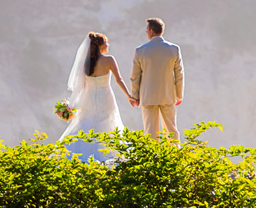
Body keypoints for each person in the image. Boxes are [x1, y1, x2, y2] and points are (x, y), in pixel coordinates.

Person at [59, 31, 133, 160]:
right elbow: (119, 79)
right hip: (105, 97)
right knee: (106, 124)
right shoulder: (109, 60)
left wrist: (72, 104)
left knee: (86, 125)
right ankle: (107, 156)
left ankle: (80, 155)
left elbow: (80, 86)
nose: (108, 45)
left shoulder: (86, 63)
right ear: (100, 45)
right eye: (106, 42)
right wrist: (129, 96)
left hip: (89, 97)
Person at [129, 17, 184, 141]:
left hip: (148, 96)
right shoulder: (174, 49)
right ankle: (175, 155)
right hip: (168, 94)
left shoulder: (140, 51)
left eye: (147, 29)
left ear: (152, 31)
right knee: (171, 130)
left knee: (150, 132)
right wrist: (179, 95)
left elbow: (135, 76)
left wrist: (135, 96)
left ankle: (152, 157)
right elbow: (179, 75)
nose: (146, 32)